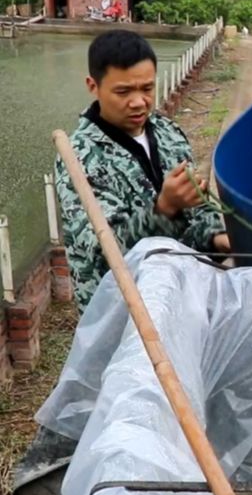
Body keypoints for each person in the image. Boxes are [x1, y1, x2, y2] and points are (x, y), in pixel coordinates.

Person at [55, 29, 229, 314]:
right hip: (122, 316)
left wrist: (217, 239)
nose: (138, 102)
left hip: (179, 297)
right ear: (92, 86)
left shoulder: (168, 133)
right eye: (123, 91)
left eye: (147, 88)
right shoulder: (78, 158)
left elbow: (198, 212)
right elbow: (103, 253)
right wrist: (164, 209)